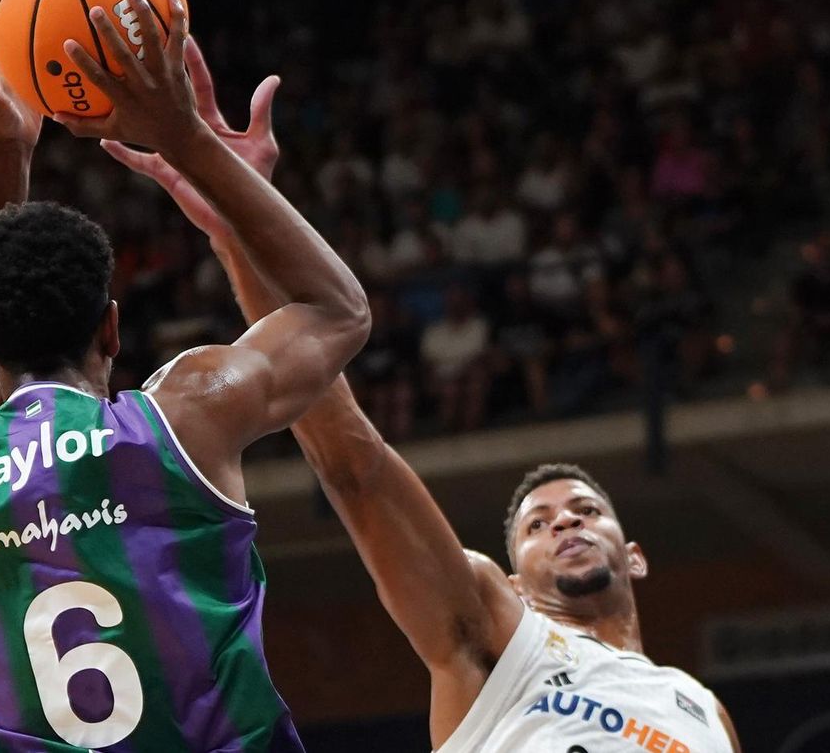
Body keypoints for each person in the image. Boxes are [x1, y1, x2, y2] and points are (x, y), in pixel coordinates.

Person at [107, 53, 741, 753]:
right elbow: (353, 460)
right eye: (538, 524)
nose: (566, 523)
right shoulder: (498, 630)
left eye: (586, 511)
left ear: (637, 555)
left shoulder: (705, 709)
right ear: (515, 582)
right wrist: (236, 221)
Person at [0, 0, 369, 752]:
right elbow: (337, 309)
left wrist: (7, 146)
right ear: (111, 329)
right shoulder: (186, 417)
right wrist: (190, 141)